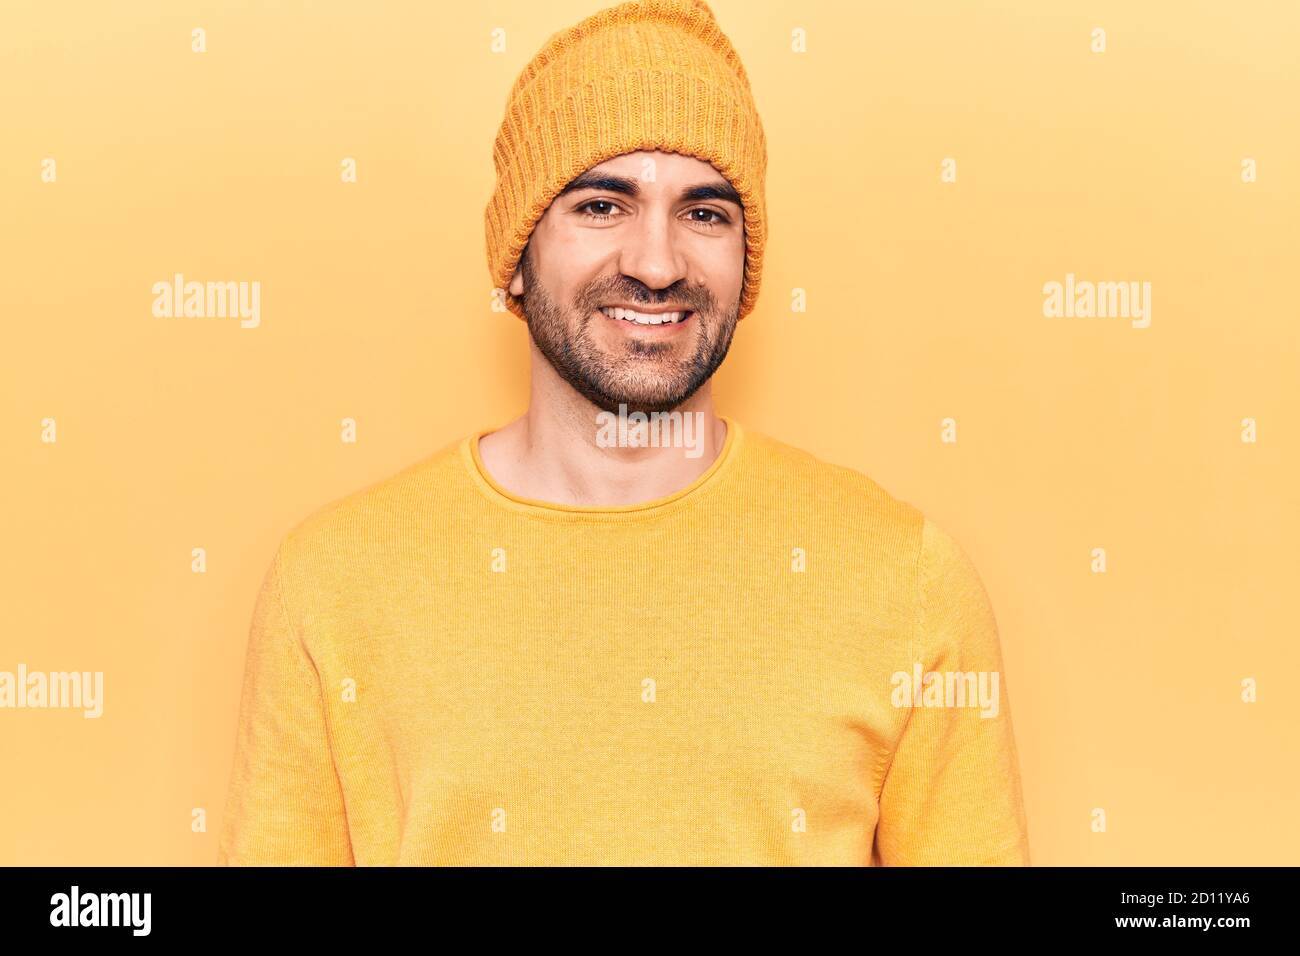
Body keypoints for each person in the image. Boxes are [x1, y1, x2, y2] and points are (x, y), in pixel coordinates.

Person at [217, 0, 1030, 866]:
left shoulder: (905, 578)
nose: (656, 263)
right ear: (517, 257)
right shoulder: (335, 582)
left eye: (706, 213)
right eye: (603, 205)